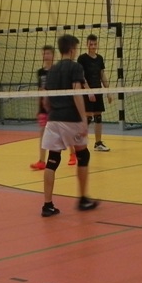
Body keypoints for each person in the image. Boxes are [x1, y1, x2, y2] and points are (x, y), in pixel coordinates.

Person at [40, 34, 99, 216]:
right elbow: (76, 94)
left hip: (53, 119)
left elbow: (46, 100)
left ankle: (47, 205)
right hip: (71, 119)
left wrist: (53, 112)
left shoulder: (52, 70)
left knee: (52, 160)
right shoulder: (75, 67)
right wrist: (83, 119)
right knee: (83, 155)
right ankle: (83, 200)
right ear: (72, 49)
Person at [77, 34, 113, 152]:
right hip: (87, 92)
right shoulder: (82, 58)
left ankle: (98, 143)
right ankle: (80, 142)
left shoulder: (100, 58)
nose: (93, 46)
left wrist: (108, 91)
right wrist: (89, 91)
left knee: (98, 116)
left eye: (95, 44)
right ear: (86, 44)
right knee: (88, 117)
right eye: (90, 44)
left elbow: (102, 75)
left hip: (98, 90)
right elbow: (81, 76)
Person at [30, 45, 55, 170]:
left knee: (61, 134)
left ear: (53, 55)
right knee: (42, 133)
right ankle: (42, 161)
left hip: (55, 107)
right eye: (44, 53)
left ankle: (73, 153)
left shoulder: (57, 71)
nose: (46, 56)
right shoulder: (40, 72)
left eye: (48, 53)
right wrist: (38, 107)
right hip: (43, 108)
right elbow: (39, 90)